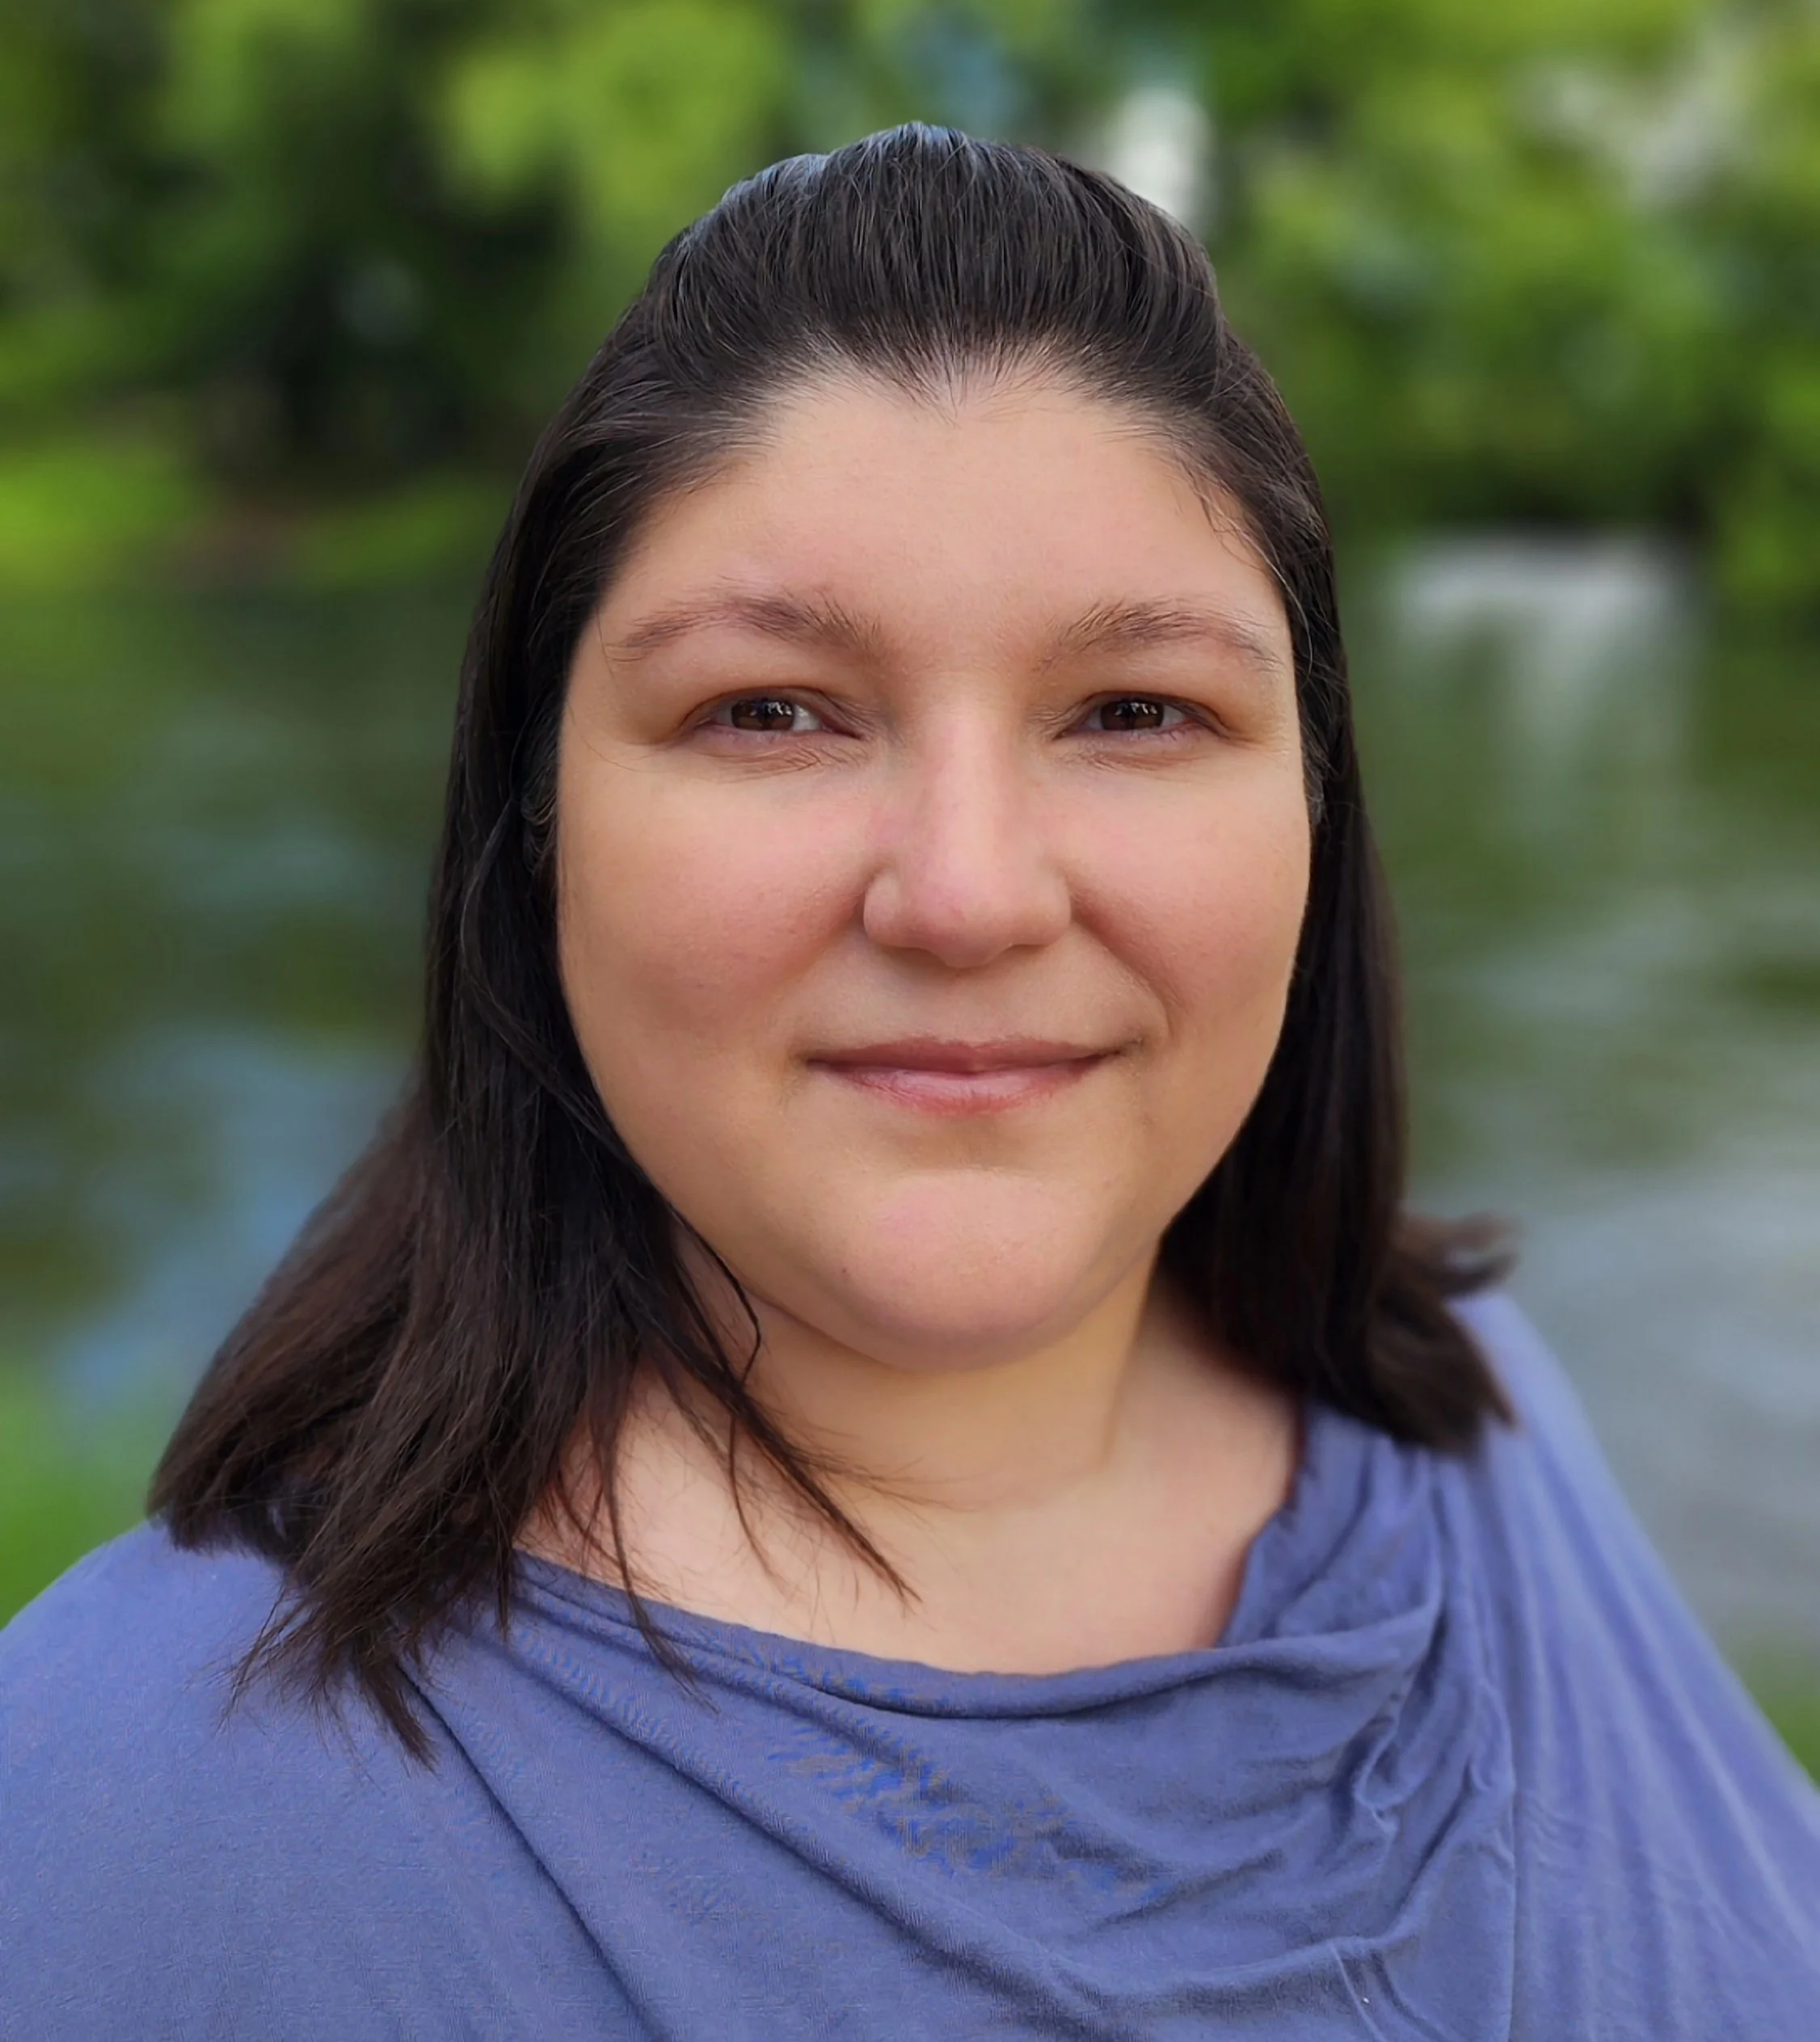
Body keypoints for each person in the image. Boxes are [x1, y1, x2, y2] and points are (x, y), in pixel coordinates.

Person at [2, 127, 1816, 2040]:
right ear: (536, 828)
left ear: (1313, 805)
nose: (965, 893)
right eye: (769, 712)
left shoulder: (1479, 1418)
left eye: (1135, 713)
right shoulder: (142, 1812)